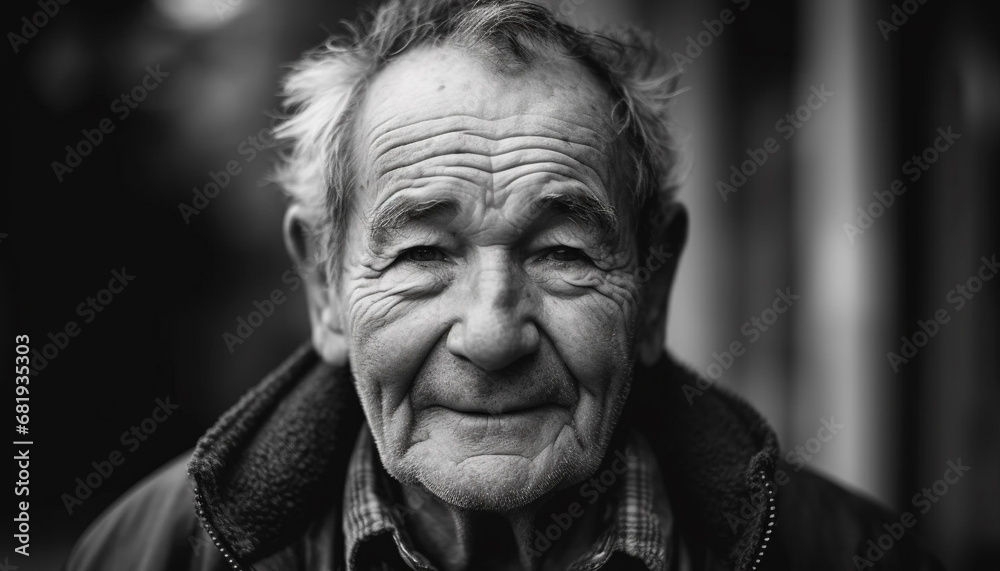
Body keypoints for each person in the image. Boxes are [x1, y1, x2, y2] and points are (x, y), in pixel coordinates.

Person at [66, 0, 943, 569]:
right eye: (422, 256)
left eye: (561, 252)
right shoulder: (148, 552)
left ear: (651, 283)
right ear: (324, 286)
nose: (491, 333)